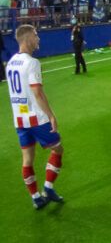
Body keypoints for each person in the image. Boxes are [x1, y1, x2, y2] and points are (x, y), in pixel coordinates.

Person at [6, 25, 65, 209]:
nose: (38, 38)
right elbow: (37, 93)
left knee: (27, 159)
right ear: (27, 38)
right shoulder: (32, 63)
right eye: (36, 35)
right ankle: (48, 188)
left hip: (20, 119)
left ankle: (36, 198)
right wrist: (51, 115)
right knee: (58, 150)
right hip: (36, 119)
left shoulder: (10, 63)